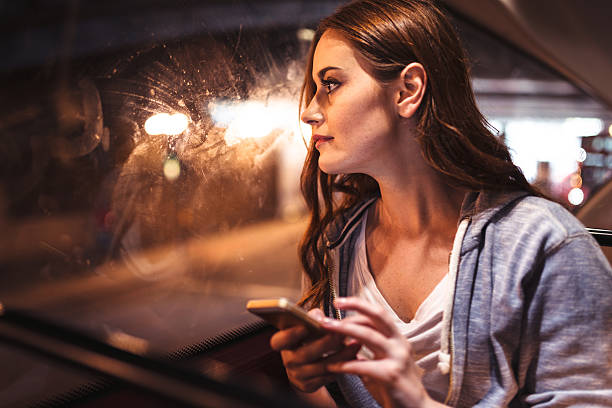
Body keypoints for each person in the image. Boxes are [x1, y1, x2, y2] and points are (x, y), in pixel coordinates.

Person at [269, 0, 612, 407]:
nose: (309, 112)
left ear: (407, 91)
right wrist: (310, 381)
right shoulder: (335, 244)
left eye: (330, 84)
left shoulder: (543, 244)